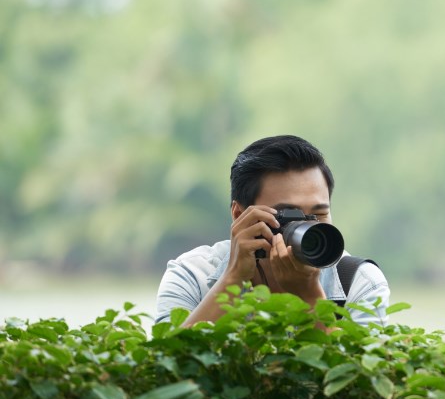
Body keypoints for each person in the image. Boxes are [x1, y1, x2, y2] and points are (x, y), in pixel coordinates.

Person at [155, 135, 389, 327]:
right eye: (289, 215)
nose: (309, 228)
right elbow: (168, 369)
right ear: (239, 215)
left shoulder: (359, 282)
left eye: (318, 215)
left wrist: (310, 297)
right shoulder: (192, 275)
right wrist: (233, 278)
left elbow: (357, 381)